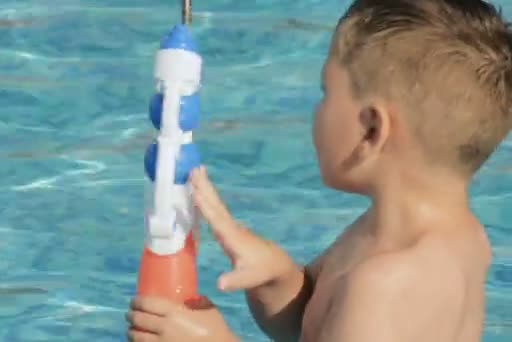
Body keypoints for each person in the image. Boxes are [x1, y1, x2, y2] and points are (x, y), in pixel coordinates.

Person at [125, 0, 512, 341]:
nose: (316, 110)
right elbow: (307, 326)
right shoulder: (437, 236)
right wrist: (277, 277)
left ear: (372, 130)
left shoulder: (384, 287)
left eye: (326, 92)